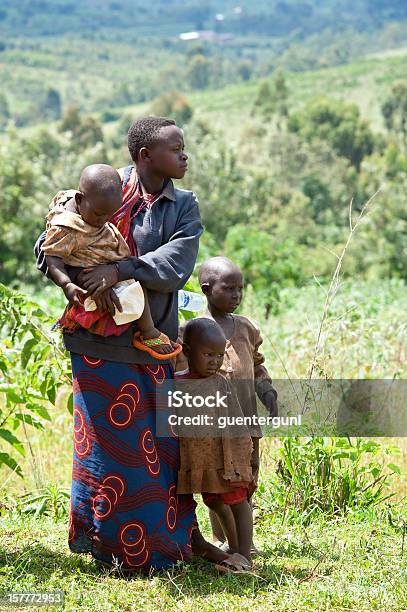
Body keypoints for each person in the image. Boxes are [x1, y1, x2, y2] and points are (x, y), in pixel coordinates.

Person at [34, 116, 214, 571]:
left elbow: (176, 265)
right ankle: (105, 546)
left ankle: (166, 545)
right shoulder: (105, 188)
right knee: (103, 448)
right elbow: (48, 243)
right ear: (144, 156)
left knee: (159, 448)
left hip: (154, 344)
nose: (184, 155)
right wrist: (77, 279)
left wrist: (119, 270)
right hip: (97, 344)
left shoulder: (183, 206)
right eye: (176, 148)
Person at [182, 256, 278, 554]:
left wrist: (268, 393)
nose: (237, 295)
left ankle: (242, 542)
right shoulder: (195, 331)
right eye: (229, 288)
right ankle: (223, 539)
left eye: (240, 289)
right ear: (207, 289)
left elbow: (258, 366)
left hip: (244, 423)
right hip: (209, 429)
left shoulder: (247, 329)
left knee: (245, 480)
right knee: (217, 482)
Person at [41, 163, 180, 359]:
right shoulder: (65, 226)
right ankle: (148, 331)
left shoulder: (96, 203)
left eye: (110, 215)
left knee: (135, 284)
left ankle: (146, 330)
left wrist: (113, 273)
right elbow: (51, 255)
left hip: (109, 262)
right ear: (79, 200)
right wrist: (67, 283)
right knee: (126, 294)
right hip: (85, 268)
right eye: (99, 214)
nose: (104, 220)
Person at [175, 317, 254, 567]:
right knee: (215, 501)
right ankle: (232, 549)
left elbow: (235, 423)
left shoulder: (220, 384)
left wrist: (240, 459)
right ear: (187, 352)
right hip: (199, 460)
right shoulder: (176, 382)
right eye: (208, 354)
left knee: (237, 501)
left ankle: (244, 554)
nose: (215, 361)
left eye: (220, 355)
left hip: (224, 458)